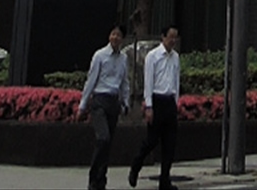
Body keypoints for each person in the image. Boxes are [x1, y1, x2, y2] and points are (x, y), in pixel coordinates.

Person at [77, 23, 131, 190]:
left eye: (118, 35)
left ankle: (101, 180)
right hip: (99, 100)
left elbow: (124, 82)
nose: (115, 38)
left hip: (113, 102)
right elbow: (91, 80)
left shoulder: (123, 58)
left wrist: (126, 102)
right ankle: (93, 177)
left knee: (108, 144)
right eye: (113, 34)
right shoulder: (99, 56)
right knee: (103, 138)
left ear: (122, 39)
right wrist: (82, 105)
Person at [128, 23, 180, 190]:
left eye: (175, 37)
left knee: (170, 144)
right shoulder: (153, 56)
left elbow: (176, 81)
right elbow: (148, 82)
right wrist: (149, 106)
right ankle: (136, 165)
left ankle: (165, 180)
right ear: (163, 37)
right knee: (152, 141)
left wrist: (176, 102)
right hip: (157, 101)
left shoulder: (175, 57)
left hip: (169, 101)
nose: (173, 40)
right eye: (170, 37)